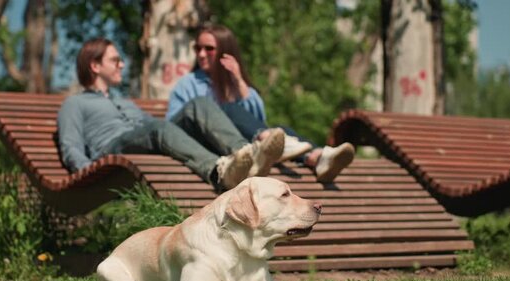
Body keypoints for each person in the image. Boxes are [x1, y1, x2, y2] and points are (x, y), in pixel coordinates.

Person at [58, 38, 285, 191]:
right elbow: (71, 146)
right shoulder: (74, 103)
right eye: (115, 60)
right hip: (111, 150)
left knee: (199, 104)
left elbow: (154, 128)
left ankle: (245, 153)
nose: (122, 65)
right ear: (95, 66)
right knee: (158, 127)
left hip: (148, 136)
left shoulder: (122, 101)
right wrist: (88, 177)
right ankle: (218, 170)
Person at [166, 24, 355, 183]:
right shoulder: (187, 84)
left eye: (209, 48)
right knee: (231, 111)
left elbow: (256, 121)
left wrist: (239, 81)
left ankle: (318, 158)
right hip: (205, 145)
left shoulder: (233, 82)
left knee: (280, 129)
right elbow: (173, 125)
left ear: (225, 51)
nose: (201, 54)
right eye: (197, 48)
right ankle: (284, 145)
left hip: (242, 150)